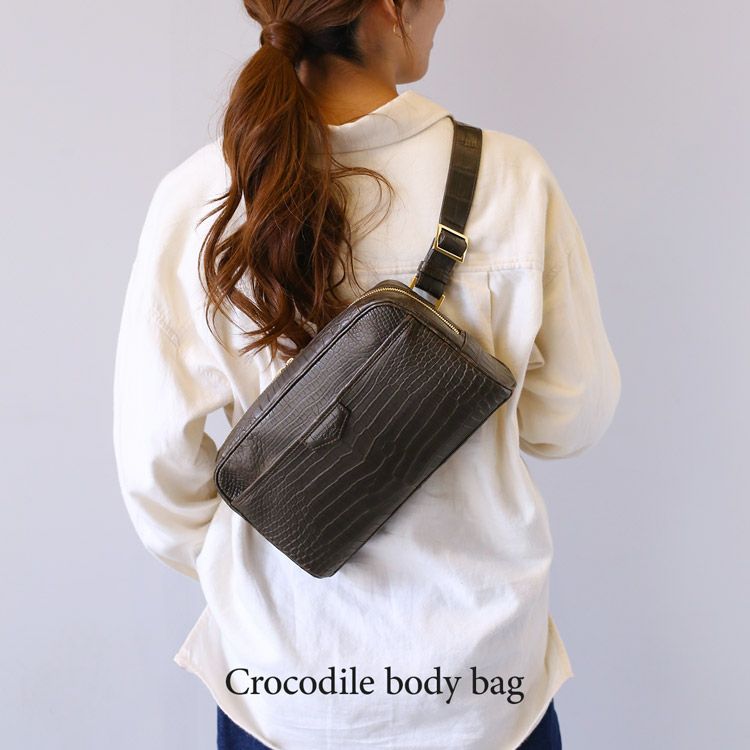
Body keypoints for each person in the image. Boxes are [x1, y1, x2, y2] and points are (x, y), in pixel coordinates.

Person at [112, 1, 621, 748]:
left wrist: (264, 563)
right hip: (481, 690)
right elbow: (572, 417)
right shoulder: (513, 178)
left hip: (284, 687)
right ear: (389, 9)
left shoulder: (201, 198)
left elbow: (156, 474)